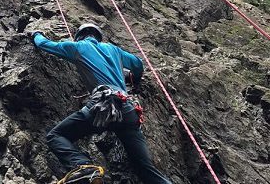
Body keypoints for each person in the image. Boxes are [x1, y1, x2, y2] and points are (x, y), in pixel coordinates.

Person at [31, 23, 171, 184]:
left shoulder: (78, 47)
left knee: (56, 135)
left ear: (80, 36)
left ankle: (84, 167)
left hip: (103, 105)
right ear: (98, 36)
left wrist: (36, 34)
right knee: (145, 168)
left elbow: (44, 44)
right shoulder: (114, 50)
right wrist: (135, 79)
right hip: (127, 110)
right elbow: (138, 64)